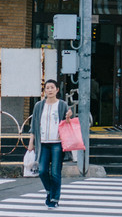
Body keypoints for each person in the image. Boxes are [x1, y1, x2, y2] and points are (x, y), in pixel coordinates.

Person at [31, 79, 73, 208]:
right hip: (43, 143)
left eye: (52, 87)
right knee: (42, 171)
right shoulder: (38, 105)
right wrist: (31, 143)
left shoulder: (62, 105)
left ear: (57, 90)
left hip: (57, 143)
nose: (49, 90)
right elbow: (34, 126)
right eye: (47, 88)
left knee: (55, 172)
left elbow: (68, 125)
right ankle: (50, 191)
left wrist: (67, 118)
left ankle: (54, 199)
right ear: (44, 90)